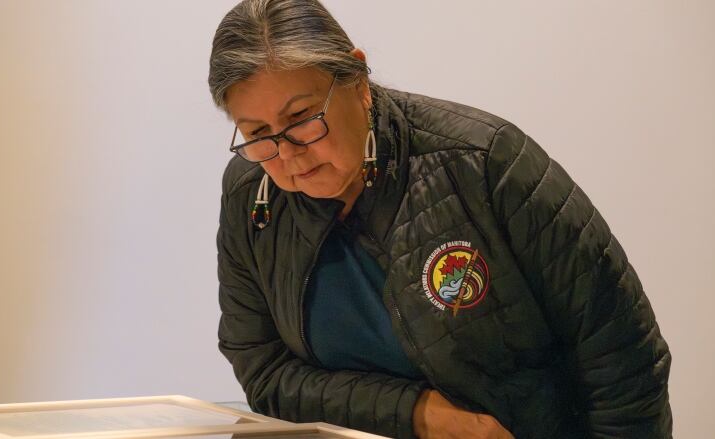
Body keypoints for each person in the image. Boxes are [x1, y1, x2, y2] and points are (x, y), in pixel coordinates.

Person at [208, 1, 673, 438]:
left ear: (358, 81)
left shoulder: (485, 163)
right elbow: (263, 371)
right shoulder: (251, 193)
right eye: (258, 133)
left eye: (303, 116)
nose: (287, 153)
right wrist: (419, 414)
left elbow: (623, 358)